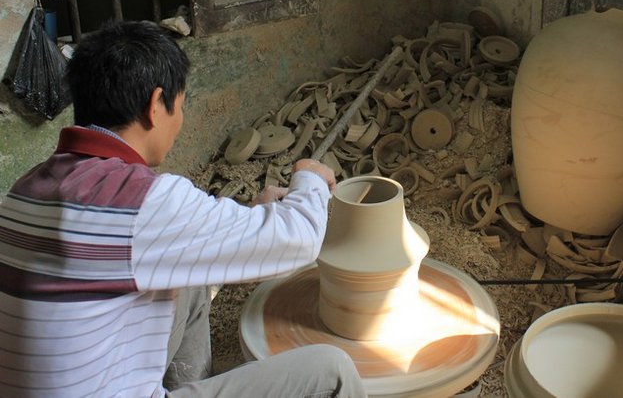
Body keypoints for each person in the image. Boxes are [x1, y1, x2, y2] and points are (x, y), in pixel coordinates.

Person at [0, 21, 367, 398]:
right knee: (333, 370)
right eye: (181, 104)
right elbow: (298, 241)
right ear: (156, 104)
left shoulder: (26, 190)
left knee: (188, 286)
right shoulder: (139, 199)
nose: (180, 119)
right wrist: (308, 177)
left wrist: (247, 217)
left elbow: (133, 247)